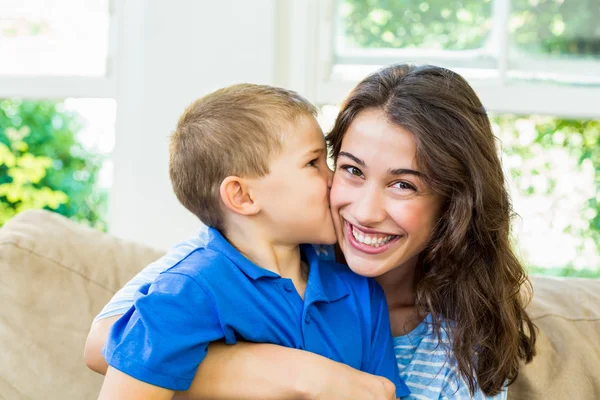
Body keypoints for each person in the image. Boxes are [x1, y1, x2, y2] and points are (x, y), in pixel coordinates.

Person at [86, 64, 537, 399]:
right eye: (349, 169)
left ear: (454, 203)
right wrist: (308, 378)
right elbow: (106, 342)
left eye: (403, 184)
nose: (363, 209)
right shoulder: (206, 266)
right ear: (243, 198)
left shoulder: (375, 304)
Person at [96, 83, 409, 399]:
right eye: (313, 163)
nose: (335, 180)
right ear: (243, 196)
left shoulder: (361, 293)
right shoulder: (186, 290)